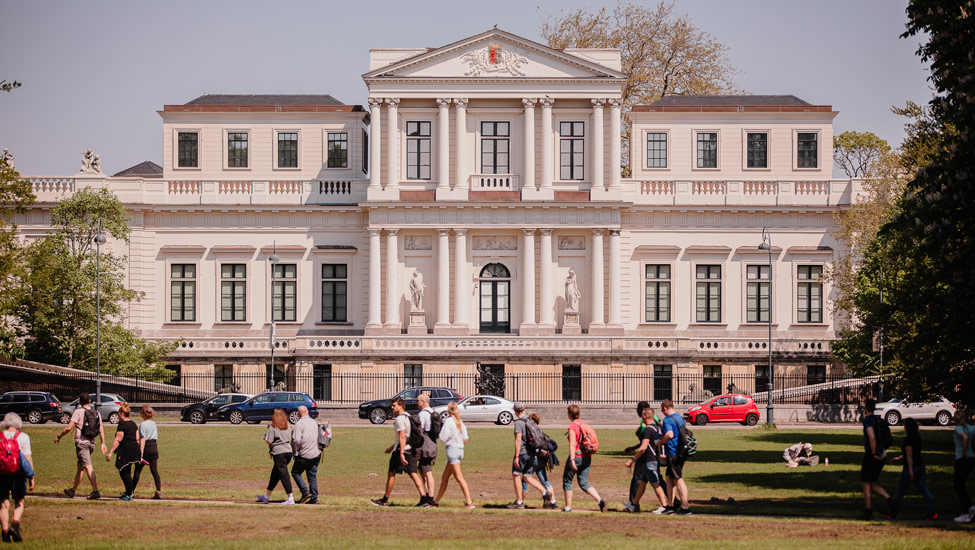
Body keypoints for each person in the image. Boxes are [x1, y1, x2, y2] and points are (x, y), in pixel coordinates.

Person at [371, 397, 425, 506]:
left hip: (402, 451)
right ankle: (424, 498)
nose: (392, 407)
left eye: (394, 405)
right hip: (410, 449)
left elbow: (402, 436)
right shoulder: (409, 417)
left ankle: (385, 500)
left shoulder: (400, 419)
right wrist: (392, 447)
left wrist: (401, 453)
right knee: (414, 474)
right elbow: (407, 436)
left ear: (401, 406)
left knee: (391, 474)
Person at [55, 393, 107, 500]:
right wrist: (103, 443)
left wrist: (59, 436)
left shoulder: (78, 412)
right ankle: (72, 491)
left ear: (79, 402)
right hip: (92, 443)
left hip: (82, 444)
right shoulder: (96, 413)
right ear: (89, 401)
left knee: (88, 466)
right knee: (80, 468)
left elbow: (69, 428)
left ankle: (95, 491)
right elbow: (101, 429)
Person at [623, 406, 667, 514]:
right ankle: (633, 504)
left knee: (655, 484)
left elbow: (643, 447)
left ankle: (664, 506)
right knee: (642, 483)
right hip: (654, 459)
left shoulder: (647, 429)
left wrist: (632, 461)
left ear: (646, 416)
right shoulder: (658, 428)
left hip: (649, 460)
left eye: (642, 415)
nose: (641, 417)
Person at [889, 418, 936, 520]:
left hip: (910, 468)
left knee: (900, 491)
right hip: (920, 466)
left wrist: (910, 470)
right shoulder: (917, 438)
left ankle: (892, 511)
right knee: (924, 490)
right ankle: (932, 512)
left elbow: (909, 456)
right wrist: (898, 458)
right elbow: (911, 453)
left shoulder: (908, 440)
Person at [562, 405, 605, 513]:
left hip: (576, 457)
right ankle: (600, 500)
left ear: (569, 415)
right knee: (584, 482)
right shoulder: (584, 424)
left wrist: (572, 460)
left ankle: (568, 507)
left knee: (567, 481)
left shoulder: (573, 427)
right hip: (586, 457)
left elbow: (572, 444)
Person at [507, 402, 548, 509]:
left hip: (522, 453)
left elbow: (518, 440)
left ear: (515, 411)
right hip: (532, 453)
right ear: (524, 409)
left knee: (516, 475)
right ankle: (545, 492)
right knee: (527, 477)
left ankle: (519, 502)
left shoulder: (519, 423)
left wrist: (516, 457)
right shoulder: (530, 420)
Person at [433, 401, 474, 508]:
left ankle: (469, 502)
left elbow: (443, 437)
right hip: (460, 451)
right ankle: (436, 501)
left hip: (452, 451)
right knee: (444, 478)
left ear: (449, 410)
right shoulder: (460, 422)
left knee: (459, 478)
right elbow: (465, 439)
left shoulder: (449, 422)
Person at [1, 412, 32, 543]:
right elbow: (27, 458)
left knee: (3, 504)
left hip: (1, 474)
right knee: (19, 502)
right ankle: (15, 524)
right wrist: (31, 476)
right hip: (18, 475)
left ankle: (5, 532)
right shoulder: (23, 437)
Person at [860, 398, 892, 520]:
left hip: (872, 454)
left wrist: (873, 454)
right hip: (882, 452)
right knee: (872, 481)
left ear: (865, 408)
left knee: (866, 482)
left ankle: (868, 510)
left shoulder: (867, 421)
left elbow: (872, 437)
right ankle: (889, 500)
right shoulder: (878, 420)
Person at [658, 399, 691, 515]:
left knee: (678, 478)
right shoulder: (680, 418)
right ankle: (670, 506)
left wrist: (660, 442)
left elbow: (670, 434)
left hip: (673, 452)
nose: (663, 412)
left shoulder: (667, 420)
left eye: (662, 410)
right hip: (681, 452)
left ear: (665, 408)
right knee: (669, 477)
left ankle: (685, 507)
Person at [520, 413, 559, 510]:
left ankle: (520, 501)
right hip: (542, 460)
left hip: (533, 460)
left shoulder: (531, 431)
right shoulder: (540, 432)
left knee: (525, 479)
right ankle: (553, 501)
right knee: (545, 481)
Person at [257, 408, 295, 505]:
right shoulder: (287, 426)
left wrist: (265, 438)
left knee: (283, 475)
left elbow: (269, 441)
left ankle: (290, 497)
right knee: (275, 474)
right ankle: (266, 496)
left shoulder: (272, 427)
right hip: (288, 451)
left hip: (279, 453)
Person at [105, 403, 140, 501]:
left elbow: (118, 440)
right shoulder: (133, 423)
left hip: (126, 451)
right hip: (135, 450)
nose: (118, 416)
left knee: (124, 472)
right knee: (127, 471)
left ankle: (129, 494)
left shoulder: (122, 424)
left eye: (118, 414)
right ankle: (129, 492)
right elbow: (137, 438)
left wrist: (110, 452)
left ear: (122, 413)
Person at [290, 405, 321, 504]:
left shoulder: (299, 423)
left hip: (304, 454)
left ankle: (305, 491)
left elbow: (296, 440)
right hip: (316, 453)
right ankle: (314, 497)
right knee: (312, 475)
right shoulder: (314, 422)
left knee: (295, 472)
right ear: (307, 412)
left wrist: (295, 452)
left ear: (299, 414)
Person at [132, 406, 161, 499]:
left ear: (144, 414)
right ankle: (158, 491)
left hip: (146, 448)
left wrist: (141, 453)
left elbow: (143, 439)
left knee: (137, 470)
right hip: (154, 447)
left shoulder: (143, 425)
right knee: (154, 471)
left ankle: (131, 491)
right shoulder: (154, 423)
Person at [624, 401, 650, 504]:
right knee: (656, 481)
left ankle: (633, 503)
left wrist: (634, 458)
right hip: (651, 454)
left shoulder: (644, 424)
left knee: (637, 479)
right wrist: (634, 447)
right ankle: (674, 502)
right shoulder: (654, 420)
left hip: (645, 455)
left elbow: (646, 442)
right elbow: (647, 440)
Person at [952, 410, 975, 523]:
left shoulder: (958, 429)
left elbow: (964, 438)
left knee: (958, 484)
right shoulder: (970, 428)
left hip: (963, 459)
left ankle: (966, 512)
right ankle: (969, 508)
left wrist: (964, 453)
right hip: (970, 459)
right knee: (960, 484)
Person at [416, 394, 438, 506]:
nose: (417, 402)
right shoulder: (433, 412)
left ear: (423, 401)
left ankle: (430, 497)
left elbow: (420, 430)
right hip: (432, 442)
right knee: (422, 469)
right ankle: (425, 496)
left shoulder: (423, 414)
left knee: (427, 471)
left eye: (418, 400)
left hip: (425, 444)